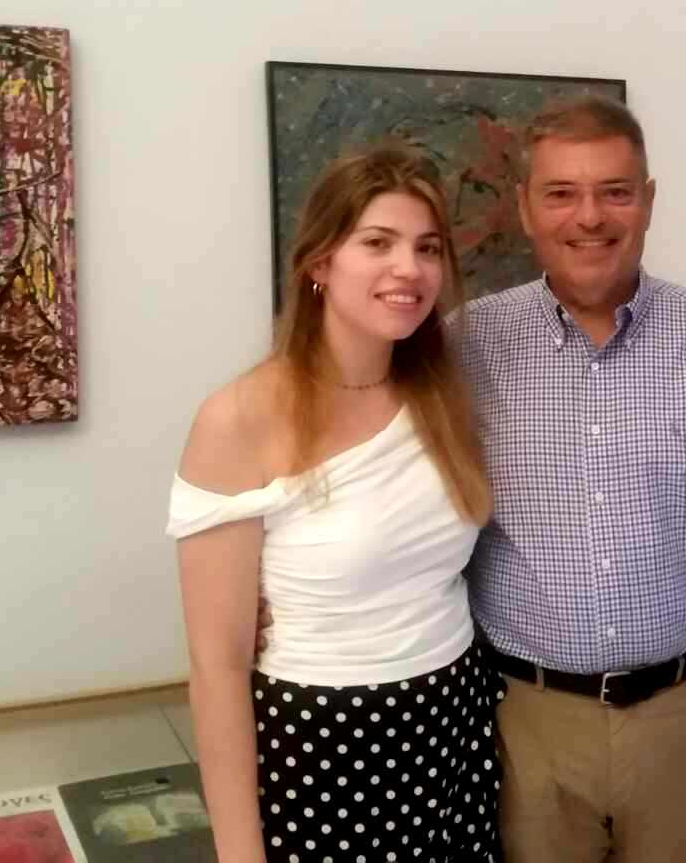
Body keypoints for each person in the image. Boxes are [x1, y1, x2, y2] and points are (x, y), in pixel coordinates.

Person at [461, 97, 686, 860]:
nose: (589, 217)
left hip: (679, 723)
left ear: (648, 200)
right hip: (524, 728)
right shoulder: (466, 346)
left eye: (615, 191)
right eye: (561, 193)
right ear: (524, 208)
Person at [169, 144, 503, 863]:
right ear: (320, 262)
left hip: (454, 729)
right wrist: (239, 854)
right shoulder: (238, 419)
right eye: (378, 243)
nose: (409, 268)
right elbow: (217, 666)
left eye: (427, 248)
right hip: (325, 748)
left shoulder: (441, 395)